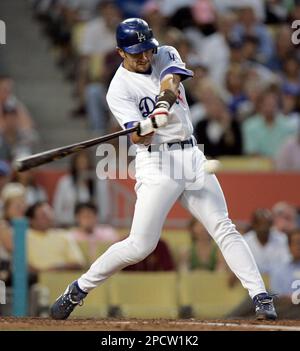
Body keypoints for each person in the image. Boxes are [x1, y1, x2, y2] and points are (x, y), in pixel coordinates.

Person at [50, 18, 277, 320]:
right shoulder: (117, 90)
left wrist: (160, 108)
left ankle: (260, 297)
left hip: (191, 155)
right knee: (140, 245)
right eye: (136, 53)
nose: (144, 57)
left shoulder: (165, 53)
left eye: (146, 50)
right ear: (120, 53)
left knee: (223, 226)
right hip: (156, 162)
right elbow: (138, 136)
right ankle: (78, 288)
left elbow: (171, 82)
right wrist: (148, 126)